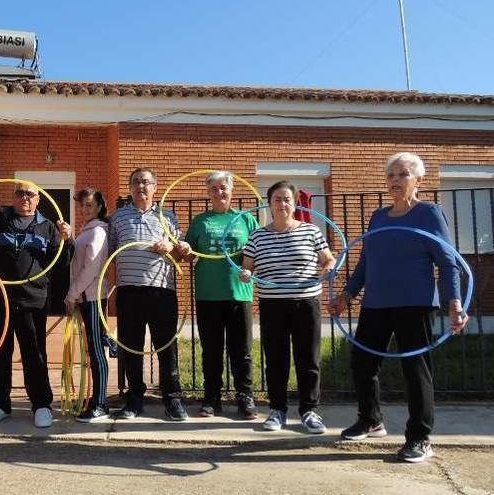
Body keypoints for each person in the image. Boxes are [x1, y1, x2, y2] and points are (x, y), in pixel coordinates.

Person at [329, 152, 467, 463]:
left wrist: (454, 302)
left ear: (419, 180)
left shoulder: (429, 214)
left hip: (414, 303)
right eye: (391, 175)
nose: (394, 180)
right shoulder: (378, 217)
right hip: (376, 303)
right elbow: (366, 263)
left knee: (415, 370)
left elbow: (447, 263)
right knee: (362, 363)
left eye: (402, 174)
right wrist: (345, 296)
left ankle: (420, 437)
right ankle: (370, 419)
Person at [240, 180, 335, 434]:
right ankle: (277, 410)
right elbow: (247, 266)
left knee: (309, 359)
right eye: (276, 200)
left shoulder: (310, 232)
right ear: (269, 204)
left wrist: (327, 268)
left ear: (294, 203)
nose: (282, 204)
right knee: (276, 359)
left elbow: (328, 259)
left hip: (306, 303)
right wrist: (246, 274)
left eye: (286, 199)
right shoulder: (257, 235)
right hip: (272, 305)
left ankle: (309, 411)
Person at [0, 182, 72, 428]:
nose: (25, 197)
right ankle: (0, 403)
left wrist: (68, 239)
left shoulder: (49, 227)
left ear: (38, 199)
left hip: (33, 299)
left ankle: (41, 405)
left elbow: (61, 262)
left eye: (30, 194)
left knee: (35, 353)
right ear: (13, 196)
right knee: (0, 353)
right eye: (20, 193)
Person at [107, 167, 189, 421]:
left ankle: (172, 399)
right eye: (136, 182)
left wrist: (171, 249)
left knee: (166, 346)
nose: (141, 186)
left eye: (146, 182)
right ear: (130, 188)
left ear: (155, 187)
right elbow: (109, 255)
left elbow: (181, 255)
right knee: (131, 346)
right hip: (129, 291)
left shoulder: (168, 217)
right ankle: (134, 400)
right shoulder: (117, 217)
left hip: (162, 291)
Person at [184, 171, 258, 420]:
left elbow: (258, 253)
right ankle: (211, 398)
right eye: (214, 188)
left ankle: (245, 397)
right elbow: (189, 254)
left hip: (239, 294)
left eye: (223, 187)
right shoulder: (200, 222)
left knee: (242, 350)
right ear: (208, 192)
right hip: (208, 295)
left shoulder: (245, 220)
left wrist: (249, 270)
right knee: (211, 350)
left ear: (232, 189)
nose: (219, 192)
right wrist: (185, 252)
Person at [65, 187, 111, 423]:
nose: (84, 209)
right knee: (94, 348)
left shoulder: (97, 232)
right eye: (82, 205)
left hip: (91, 298)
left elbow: (90, 269)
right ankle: (97, 400)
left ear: (100, 207)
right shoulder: (88, 231)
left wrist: (72, 294)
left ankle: (101, 403)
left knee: (96, 351)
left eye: (89, 205)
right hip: (87, 297)